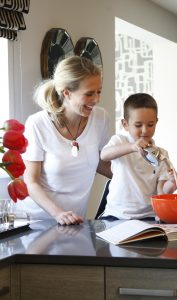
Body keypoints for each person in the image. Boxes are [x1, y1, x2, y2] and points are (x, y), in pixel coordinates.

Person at [17, 56, 112, 225]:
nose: (96, 99)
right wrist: (58, 214)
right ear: (66, 93)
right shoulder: (38, 124)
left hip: (74, 221)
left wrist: (141, 179)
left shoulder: (101, 118)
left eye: (99, 91)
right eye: (89, 93)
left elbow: (101, 163)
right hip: (36, 221)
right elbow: (31, 181)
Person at [100, 93, 169, 220]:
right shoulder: (120, 141)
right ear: (125, 124)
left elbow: (161, 191)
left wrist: (173, 183)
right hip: (116, 215)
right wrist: (132, 147)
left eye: (150, 124)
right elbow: (104, 155)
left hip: (149, 216)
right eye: (138, 125)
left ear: (156, 122)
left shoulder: (162, 154)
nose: (145, 130)